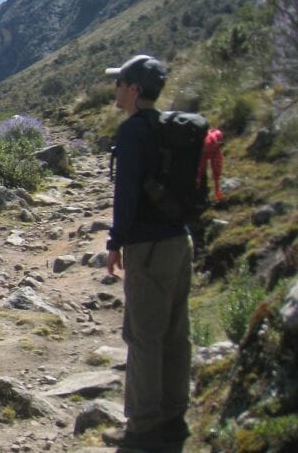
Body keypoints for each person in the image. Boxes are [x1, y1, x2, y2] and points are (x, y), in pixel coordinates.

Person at [102, 54, 193, 452]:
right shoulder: (169, 128)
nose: (116, 90)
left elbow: (126, 196)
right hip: (179, 241)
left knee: (142, 335)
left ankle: (141, 427)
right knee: (176, 332)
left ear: (134, 89)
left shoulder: (133, 132)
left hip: (148, 247)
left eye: (120, 83)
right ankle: (174, 418)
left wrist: (114, 243)